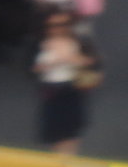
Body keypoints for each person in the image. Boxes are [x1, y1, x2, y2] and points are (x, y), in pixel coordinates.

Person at [34, 10, 99, 156]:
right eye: (52, 25)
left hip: (71, 89)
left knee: (70, 133)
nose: (56, 28)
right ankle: (60, 166)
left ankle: (67, 164)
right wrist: (51, 63)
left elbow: (92, 63)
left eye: (62, 24)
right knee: (55, 134)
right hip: (51, 90)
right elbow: (34, 69)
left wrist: (72, 59)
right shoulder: (42, 43)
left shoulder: (79, 42)